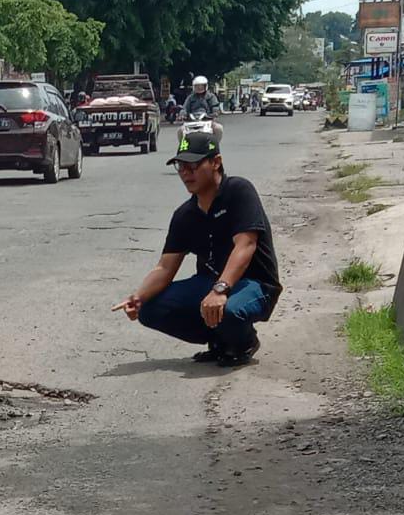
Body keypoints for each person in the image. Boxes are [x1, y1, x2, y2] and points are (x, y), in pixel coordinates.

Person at [112, 133, 281, 366]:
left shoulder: (239, 191)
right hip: (208, 283)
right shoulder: (185, 215)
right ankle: (219, 339)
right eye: (180, 166)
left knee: (230, 311)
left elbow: (246, 245)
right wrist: (138, 297)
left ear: (216, 162)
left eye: (193, 165)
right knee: (149, 309)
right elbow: (165, 267)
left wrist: (220, 290)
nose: (185, 173)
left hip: (253, 284)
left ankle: (243, 341)